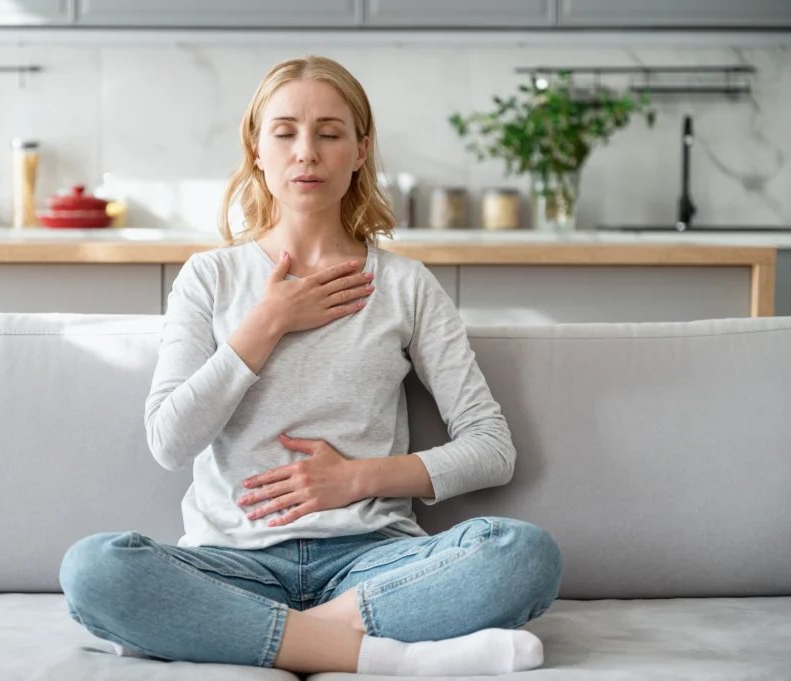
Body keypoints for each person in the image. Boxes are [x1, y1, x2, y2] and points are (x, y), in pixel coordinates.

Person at [59, 55, 562, 677]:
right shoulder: (209, 279)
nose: (307, 152)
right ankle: (391, 659)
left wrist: (357, 479)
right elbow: (170, 441)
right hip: (234, 564)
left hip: (371, 564)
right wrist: (266, 323)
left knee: (523, 555)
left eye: (329, 133)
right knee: (93, 569)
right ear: (256, 147)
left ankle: (242, 635)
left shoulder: (405, 285)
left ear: (359, 151)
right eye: (285, 132)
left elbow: (491, 448)